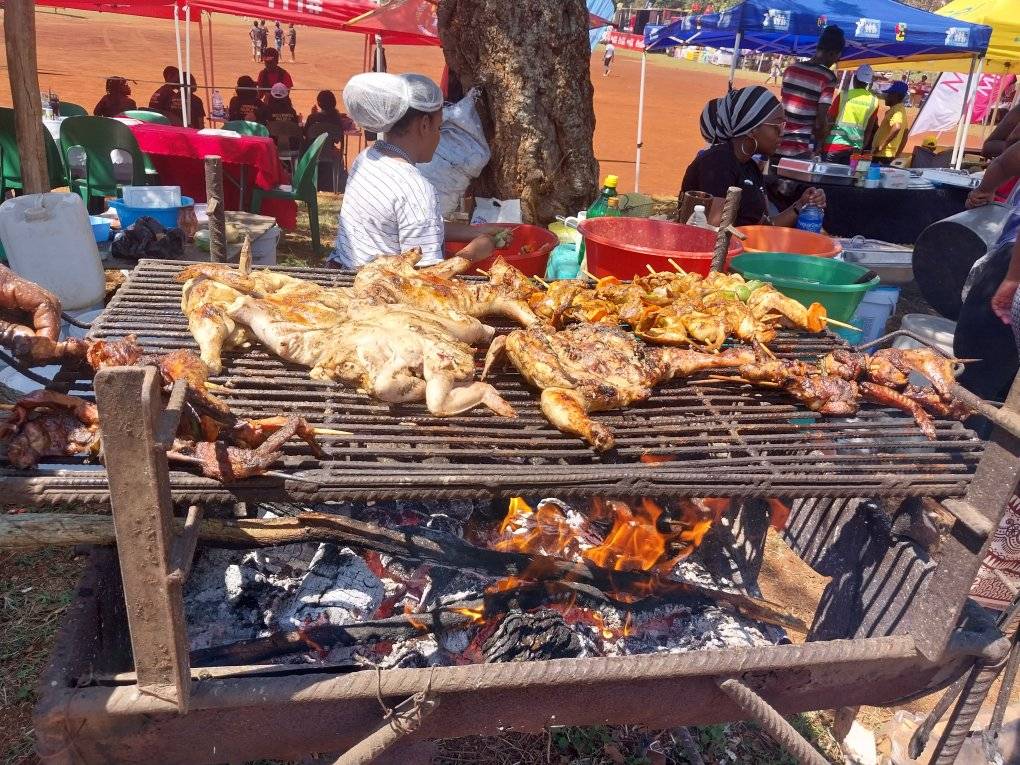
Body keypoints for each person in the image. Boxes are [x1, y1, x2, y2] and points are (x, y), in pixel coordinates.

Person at [330, 72, 506, 269]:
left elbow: (412, 227)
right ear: (424, 125)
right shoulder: (416, 189)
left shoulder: (367, 157)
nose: (439, 138)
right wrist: (472, 253)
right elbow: (428, 280)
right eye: (439, 128)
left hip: (346, 271)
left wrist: (475, 232)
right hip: (381, 292)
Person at [680, 86, 825, 228]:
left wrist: (801, 205)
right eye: (777, 126)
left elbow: (767, 226)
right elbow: (715, 230)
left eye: (783, 125)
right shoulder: (718, 163)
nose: (782, 133)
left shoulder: (751, 168)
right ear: (752, 129)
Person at [954, 142, 1020, 402]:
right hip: (1011, 259)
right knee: (980, 364)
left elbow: (1005, 159)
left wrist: (1013, 278)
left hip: (1012, 265)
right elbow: (1005, 159)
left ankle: (971, 431)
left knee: (978, 374)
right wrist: (985, 189)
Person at [777, 24, 845, 159]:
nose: (836, 61)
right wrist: (821, 142)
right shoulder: (827, 77)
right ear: (832, 53)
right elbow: (820, 121)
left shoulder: (790, 70)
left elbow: (783, 104)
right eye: (837, 57)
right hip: (800, 149)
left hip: (776, 143)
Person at [821, 64, 879, 163]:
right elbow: (869, 129)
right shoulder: (874, 101)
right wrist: (860, 148)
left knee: (826, 177)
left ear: (855, 78)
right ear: (868, 82)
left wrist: (820, 143)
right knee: (847, 177)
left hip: (834, 145)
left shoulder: (843, 96)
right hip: (855, 149)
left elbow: (829, 121)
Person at [871, 80, 909, 165]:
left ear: (896, 96)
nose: (886, 97)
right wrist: (897, 154)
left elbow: (897, 127)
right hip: (888, 155)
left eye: (889, 94)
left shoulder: (896, 110)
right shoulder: (901, 110)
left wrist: (881, 146)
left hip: (882, 154)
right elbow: (905, 135)